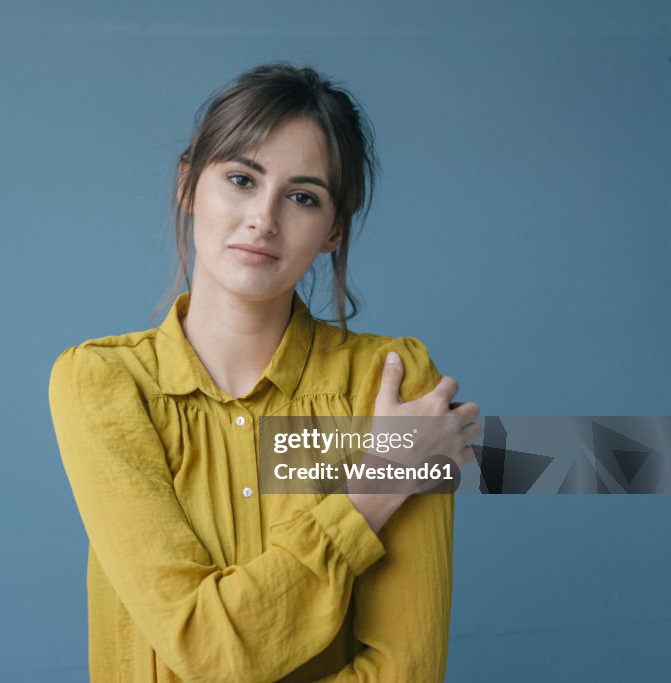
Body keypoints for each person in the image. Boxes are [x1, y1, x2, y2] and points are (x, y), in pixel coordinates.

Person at [49, 62, 481, 683]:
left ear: (333, 230)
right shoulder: (103, 386)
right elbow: (202, 647)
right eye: (241, 178)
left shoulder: (393, 383)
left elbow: (406, 669)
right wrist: (373, 492)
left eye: (303, 196)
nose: (264, 218)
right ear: (188, 185)